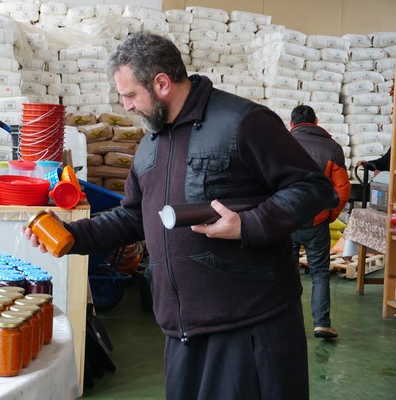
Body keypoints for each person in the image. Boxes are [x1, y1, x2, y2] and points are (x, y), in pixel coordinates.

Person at [24, 32, 336, 399]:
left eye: (130, 95)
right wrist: (74, 235)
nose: (125, 106)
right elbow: (134, 217)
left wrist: (249, 224)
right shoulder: (150, 144)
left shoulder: (243, 122)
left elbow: (313, 189)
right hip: (181, 331)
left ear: (161, 84)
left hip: (249, 325)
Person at [289, 105, 351, 339]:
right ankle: (322, 323)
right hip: (316, 222)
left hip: (288, 221)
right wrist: (329, 216)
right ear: (316, 121)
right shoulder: (332, 148)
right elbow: (343, 191)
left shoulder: (282, 143)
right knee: (320, 274)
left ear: (291, 123)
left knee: (286, 272)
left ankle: (289, 325)